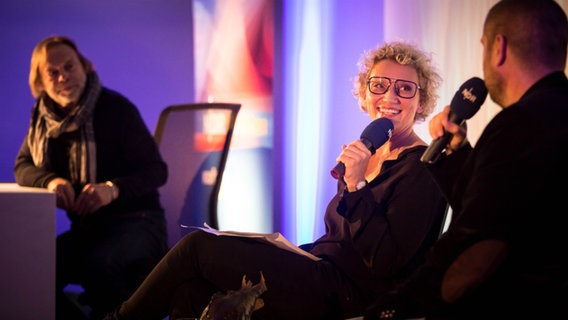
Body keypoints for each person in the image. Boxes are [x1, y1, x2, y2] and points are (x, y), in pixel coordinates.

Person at [103, 41, 448, 320]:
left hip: (356, 294)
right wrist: (289, 252)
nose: (389, 97)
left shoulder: (422, 167)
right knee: (190, 294)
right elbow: (340, 240)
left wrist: (357, 187)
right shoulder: (366, 153)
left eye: (405, 89)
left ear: (420, 103)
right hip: (321, 271)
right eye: (379, 85)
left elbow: (387, 263)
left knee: (197, 248)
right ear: (364, 94)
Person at [364, 1, 568, 319]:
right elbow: (500, 208)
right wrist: (457, 155)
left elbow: (475, 237)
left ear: (498, 48)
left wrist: (396, 306)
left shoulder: (518, 125)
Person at [13, 35, 169, 319]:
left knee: (96, 263)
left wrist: (112, 189)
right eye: (53, 73)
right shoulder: (42, 118)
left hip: (139, 221)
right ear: (41, 83)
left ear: (84, 67)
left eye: (69, 67)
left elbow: (157, 170)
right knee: (30, 269)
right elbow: (23, 165)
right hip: (90, 228)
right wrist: (51, 181)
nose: (63, 77)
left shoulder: (116, 108)